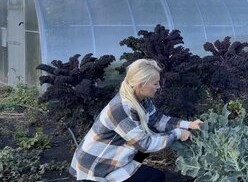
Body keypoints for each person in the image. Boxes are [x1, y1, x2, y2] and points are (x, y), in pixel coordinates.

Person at [70, 58, 202, 182]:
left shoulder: (140, 100)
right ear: (140, 85)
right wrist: (178, 133)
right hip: (96, 167)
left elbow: (159, 120)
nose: (159, 87)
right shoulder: (121, 109)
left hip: (112, 157)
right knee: (156, 177)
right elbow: (145, 145)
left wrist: (189, 124)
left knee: (153, 130)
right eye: (155, 83)